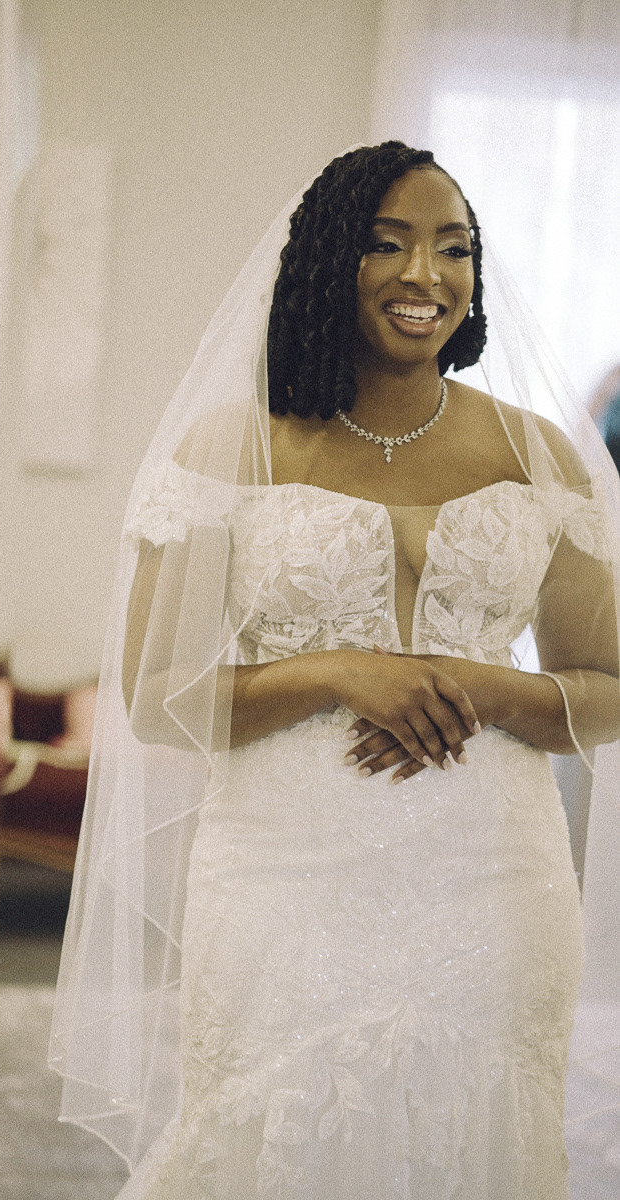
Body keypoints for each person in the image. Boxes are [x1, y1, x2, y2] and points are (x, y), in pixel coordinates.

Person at [50, 143, 620, 1200]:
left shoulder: (544, 455)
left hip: (494, 881)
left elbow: (606, 688)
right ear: (326, 262)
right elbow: (158, 699)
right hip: (284, 875)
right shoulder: (232, 448)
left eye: (454, 248)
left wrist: (485, 688)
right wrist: (337, 674)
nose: (426, 276)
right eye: (387, 244)